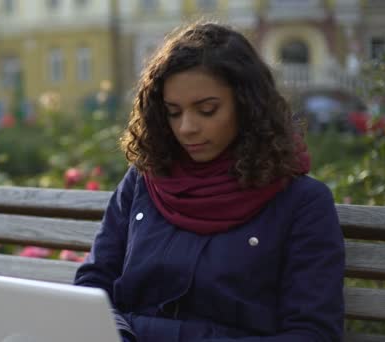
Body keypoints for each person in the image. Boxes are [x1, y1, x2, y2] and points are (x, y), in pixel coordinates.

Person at [74, 21, 344, 341]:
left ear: (247, 106)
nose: (187, 127)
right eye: (173, 112)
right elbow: (94, 282)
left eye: (207, 110)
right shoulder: (144, 180)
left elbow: (313, 333)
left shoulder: (301, 202)